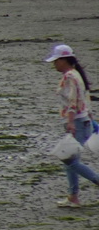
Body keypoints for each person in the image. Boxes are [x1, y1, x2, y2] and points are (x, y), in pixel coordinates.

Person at [45, 43, 99, 208]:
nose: (54, 64)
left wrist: (70, 122)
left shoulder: (70, 76)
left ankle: (87, 187)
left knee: (70, 160)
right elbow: (85, 100)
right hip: (83, 121)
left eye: (56, 61)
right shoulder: (76, 74)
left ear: (64, 60)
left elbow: (73, 103)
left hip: (77, 122)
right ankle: (73, 197)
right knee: (69, 160)